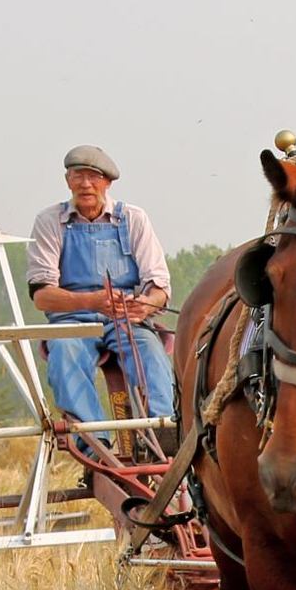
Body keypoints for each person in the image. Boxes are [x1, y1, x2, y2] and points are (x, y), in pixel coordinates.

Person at [26, 145, 176, 455]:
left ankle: (162, 431)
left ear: (107, 183)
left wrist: (145, 304)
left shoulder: (133, 218)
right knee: (64, 354)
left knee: (150, 351)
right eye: (78, 176)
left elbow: (159, 285)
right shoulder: (50, 221)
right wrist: (92, 302)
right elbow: (42, 296)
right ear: (67, 180)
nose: (85, 185)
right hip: (72, 322)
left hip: (125, 320)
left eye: (93, 177)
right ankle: (95, 443)